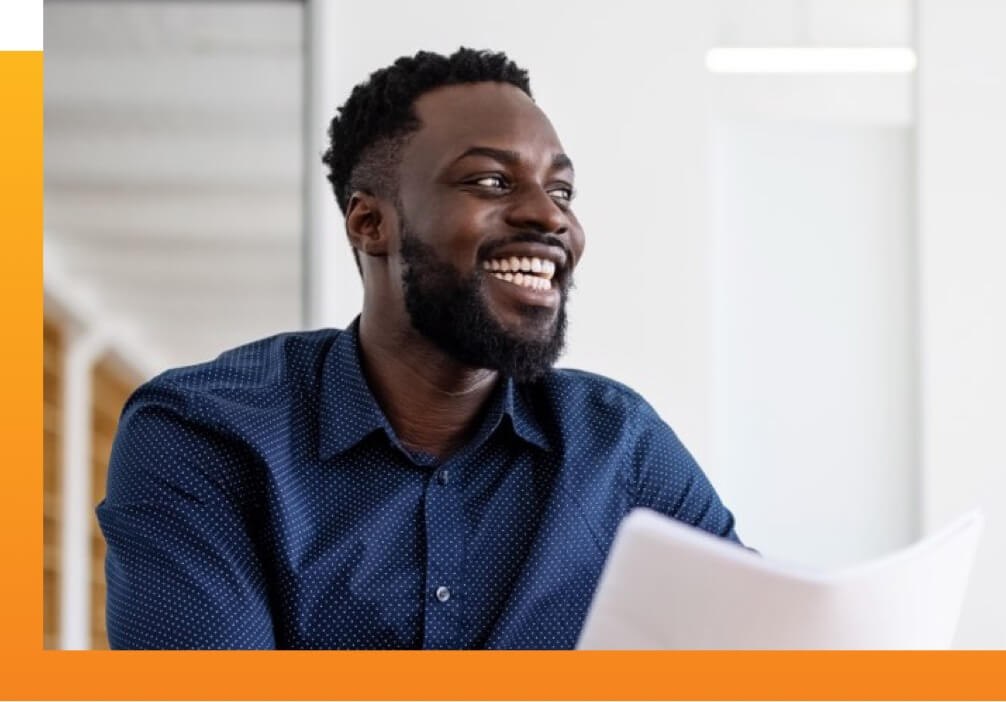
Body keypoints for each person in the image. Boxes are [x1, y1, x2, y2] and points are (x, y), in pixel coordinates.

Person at [97, 47, 742, 650]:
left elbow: (760, 652)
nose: (550, 217)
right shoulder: (204, 434)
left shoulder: (619, 447)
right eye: (490, 181)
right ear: (370, 223)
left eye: (562, 191)